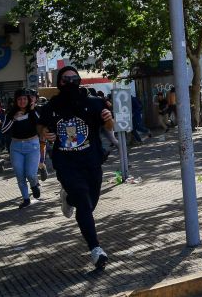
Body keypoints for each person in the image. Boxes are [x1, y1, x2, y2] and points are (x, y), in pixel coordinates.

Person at [38, 66, 114, 270]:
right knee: (84, 203)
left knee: (89, 203)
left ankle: (68, 198)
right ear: (59, 82)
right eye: (65, 79)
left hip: (92, 161)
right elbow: (41, 126)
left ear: (79, 80)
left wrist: (108, 119)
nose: (70, 82)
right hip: (66, 163)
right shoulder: (52, 105)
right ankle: (96, 250)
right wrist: (45, 131)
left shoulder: (94, 102)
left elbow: (109, 127)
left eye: (74, 78)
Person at [1, 89, 42, 208]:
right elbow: (4, 130)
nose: (22, 101)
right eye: (19, 99)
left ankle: (34, 185)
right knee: (20, 175)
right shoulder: (10, 113)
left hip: (32, 145)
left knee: (30, 174)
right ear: (16, 101)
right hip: (16, 147)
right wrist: (13, 119)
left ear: (29, 99)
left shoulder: (35, 110)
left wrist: (33, 110)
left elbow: (40, 123)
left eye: (24, 98)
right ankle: (25, 199)